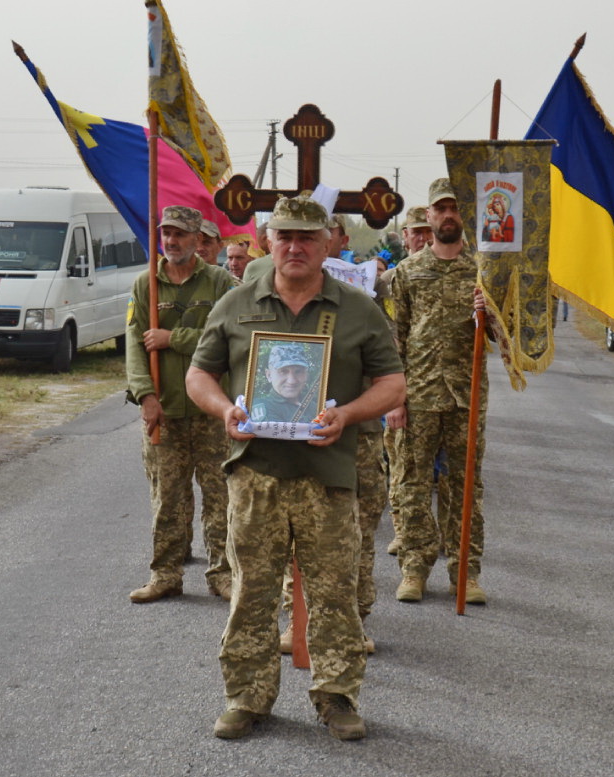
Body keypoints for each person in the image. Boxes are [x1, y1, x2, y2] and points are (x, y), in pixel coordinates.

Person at [185, 194, 405, 741]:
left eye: (307, 237)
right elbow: (198, 375)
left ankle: (337, 698)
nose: (295, 246)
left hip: (328, 478)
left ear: (328, 242)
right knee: (251, 594)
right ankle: (246, 697)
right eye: (284, 236)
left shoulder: (357, 308)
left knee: (334, 595)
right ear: (268, 241)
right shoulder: (236, 305)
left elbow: (394, 383)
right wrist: (224, 410)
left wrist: (348, 414)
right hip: (254, 477)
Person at [388, 178, 492, 606]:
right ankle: (414, 568)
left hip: (467, 398)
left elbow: (506, 342)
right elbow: (394, 341)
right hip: (419, 395)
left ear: (464, 216)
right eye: (440, 209)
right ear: (428, 218)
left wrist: (492, 316)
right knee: (412, 483)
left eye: (455, 209)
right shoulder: (407, 273)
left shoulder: (482, 272)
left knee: (464, 485)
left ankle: (465, 573)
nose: (448, 215)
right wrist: (395, 397)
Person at [126, 205, 236, 604]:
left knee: (220, 497)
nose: (170, 242)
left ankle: (222, 574)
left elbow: (226, 337)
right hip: (166, 410)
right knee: (168, 499)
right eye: (165, 234)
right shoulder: (145, 284)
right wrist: (145, 395)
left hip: (211, 410)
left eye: (179, 235)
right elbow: (135, 345)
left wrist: (175, 338)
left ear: (197, 240)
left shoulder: (222, 283)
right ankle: (166, 574)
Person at [383, 205, 432, 556]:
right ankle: (402, 530)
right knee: (401, 466)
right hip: (396, 382)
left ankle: (430, 532)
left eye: (425, 230)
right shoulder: (389, 279)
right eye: (415, 232)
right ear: (405, 237)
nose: (422, 238)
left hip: (436, 389)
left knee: (435, 472)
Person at [251, 343, 315, 423]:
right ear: (269, 375)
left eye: (298, 371)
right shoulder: (262, 407)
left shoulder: (314, 404)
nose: (292, 381)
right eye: (283, 371)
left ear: (306, 375)